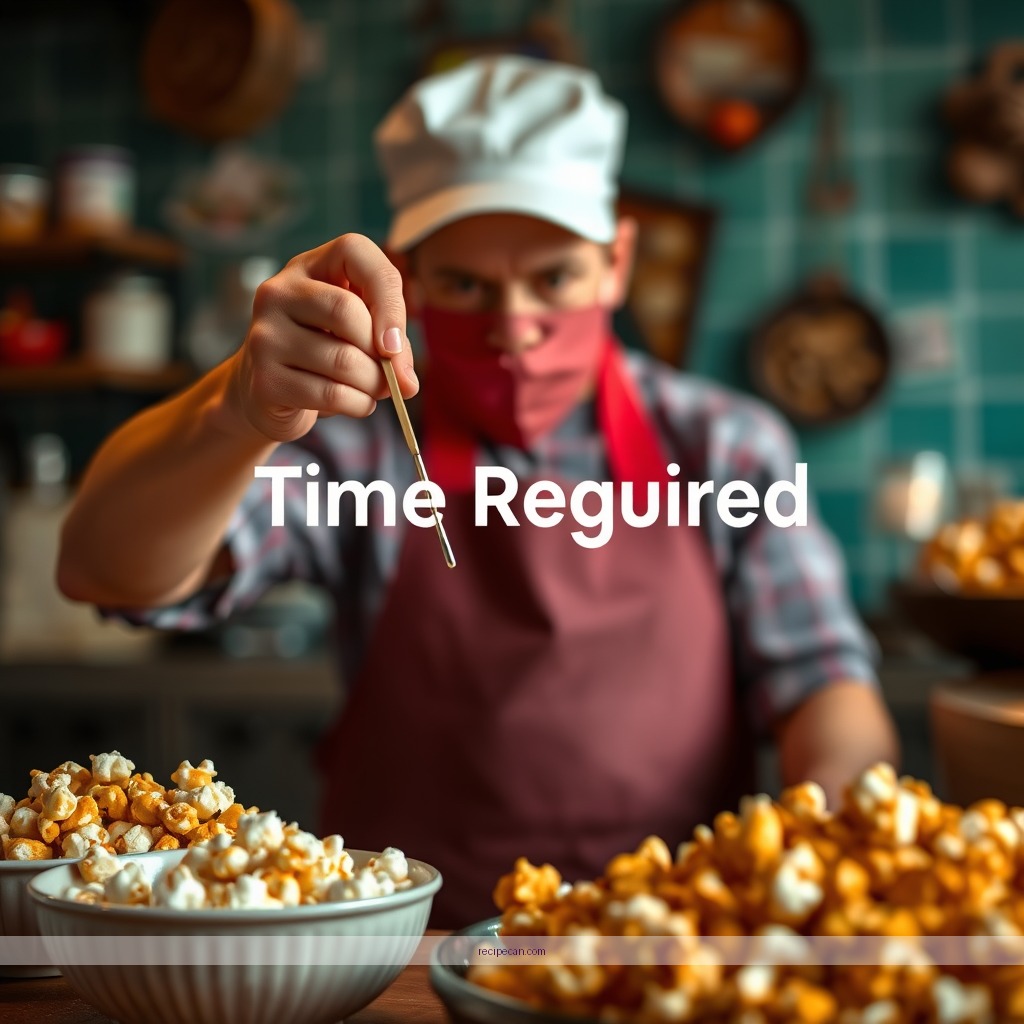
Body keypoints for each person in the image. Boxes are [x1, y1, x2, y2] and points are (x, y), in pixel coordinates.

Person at [58, 56, 898, 926]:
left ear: (617, 263)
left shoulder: (726, 447)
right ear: (408, 280)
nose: (513, 326)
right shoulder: (354, 451)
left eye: (554, 279)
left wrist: (822, 857)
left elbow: (822, 682)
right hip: (408, 958)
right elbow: (107, 575)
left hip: (677, 948)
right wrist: (235, 408)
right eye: (465, 285)